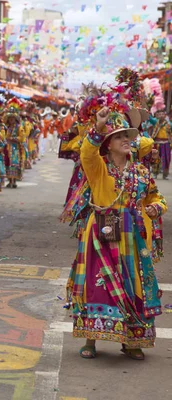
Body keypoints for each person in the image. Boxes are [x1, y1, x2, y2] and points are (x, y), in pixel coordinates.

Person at [67, 105, 167, 360]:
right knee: (98, 284)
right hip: (102, 231)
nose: (126, 141)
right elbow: (86, 151)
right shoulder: (98, 168)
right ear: (109, 144)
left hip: (132, 236)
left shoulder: (141, 172)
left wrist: (156, 207)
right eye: (121, 137)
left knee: (134, 283)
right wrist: (99, 127)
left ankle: (133, 341)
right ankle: (91, 338)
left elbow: (157, 198)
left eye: (128, 137)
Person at [4, 98, 27, 188]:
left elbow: (22, 137)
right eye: (10, 118)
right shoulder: (7, 127)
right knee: (8, 163)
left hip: (15, 148)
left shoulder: (19, 127)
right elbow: (4, 136)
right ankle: (10, 180)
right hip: (7, 148)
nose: (11, 120)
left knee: (14, 163)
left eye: (13, 118)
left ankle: (14, 181)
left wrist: (13, 138)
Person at [150, 107, 171, 179]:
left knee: (167, 159)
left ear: (165, 115)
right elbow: (149, 118)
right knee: (156, 158)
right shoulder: (156, 123)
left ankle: (165, 174)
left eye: (163, 114)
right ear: (157, 115)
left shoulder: (169, 124)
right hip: (157, 143)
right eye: (160, 114)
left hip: (166, 143)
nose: (161, 115)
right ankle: (155, 173)